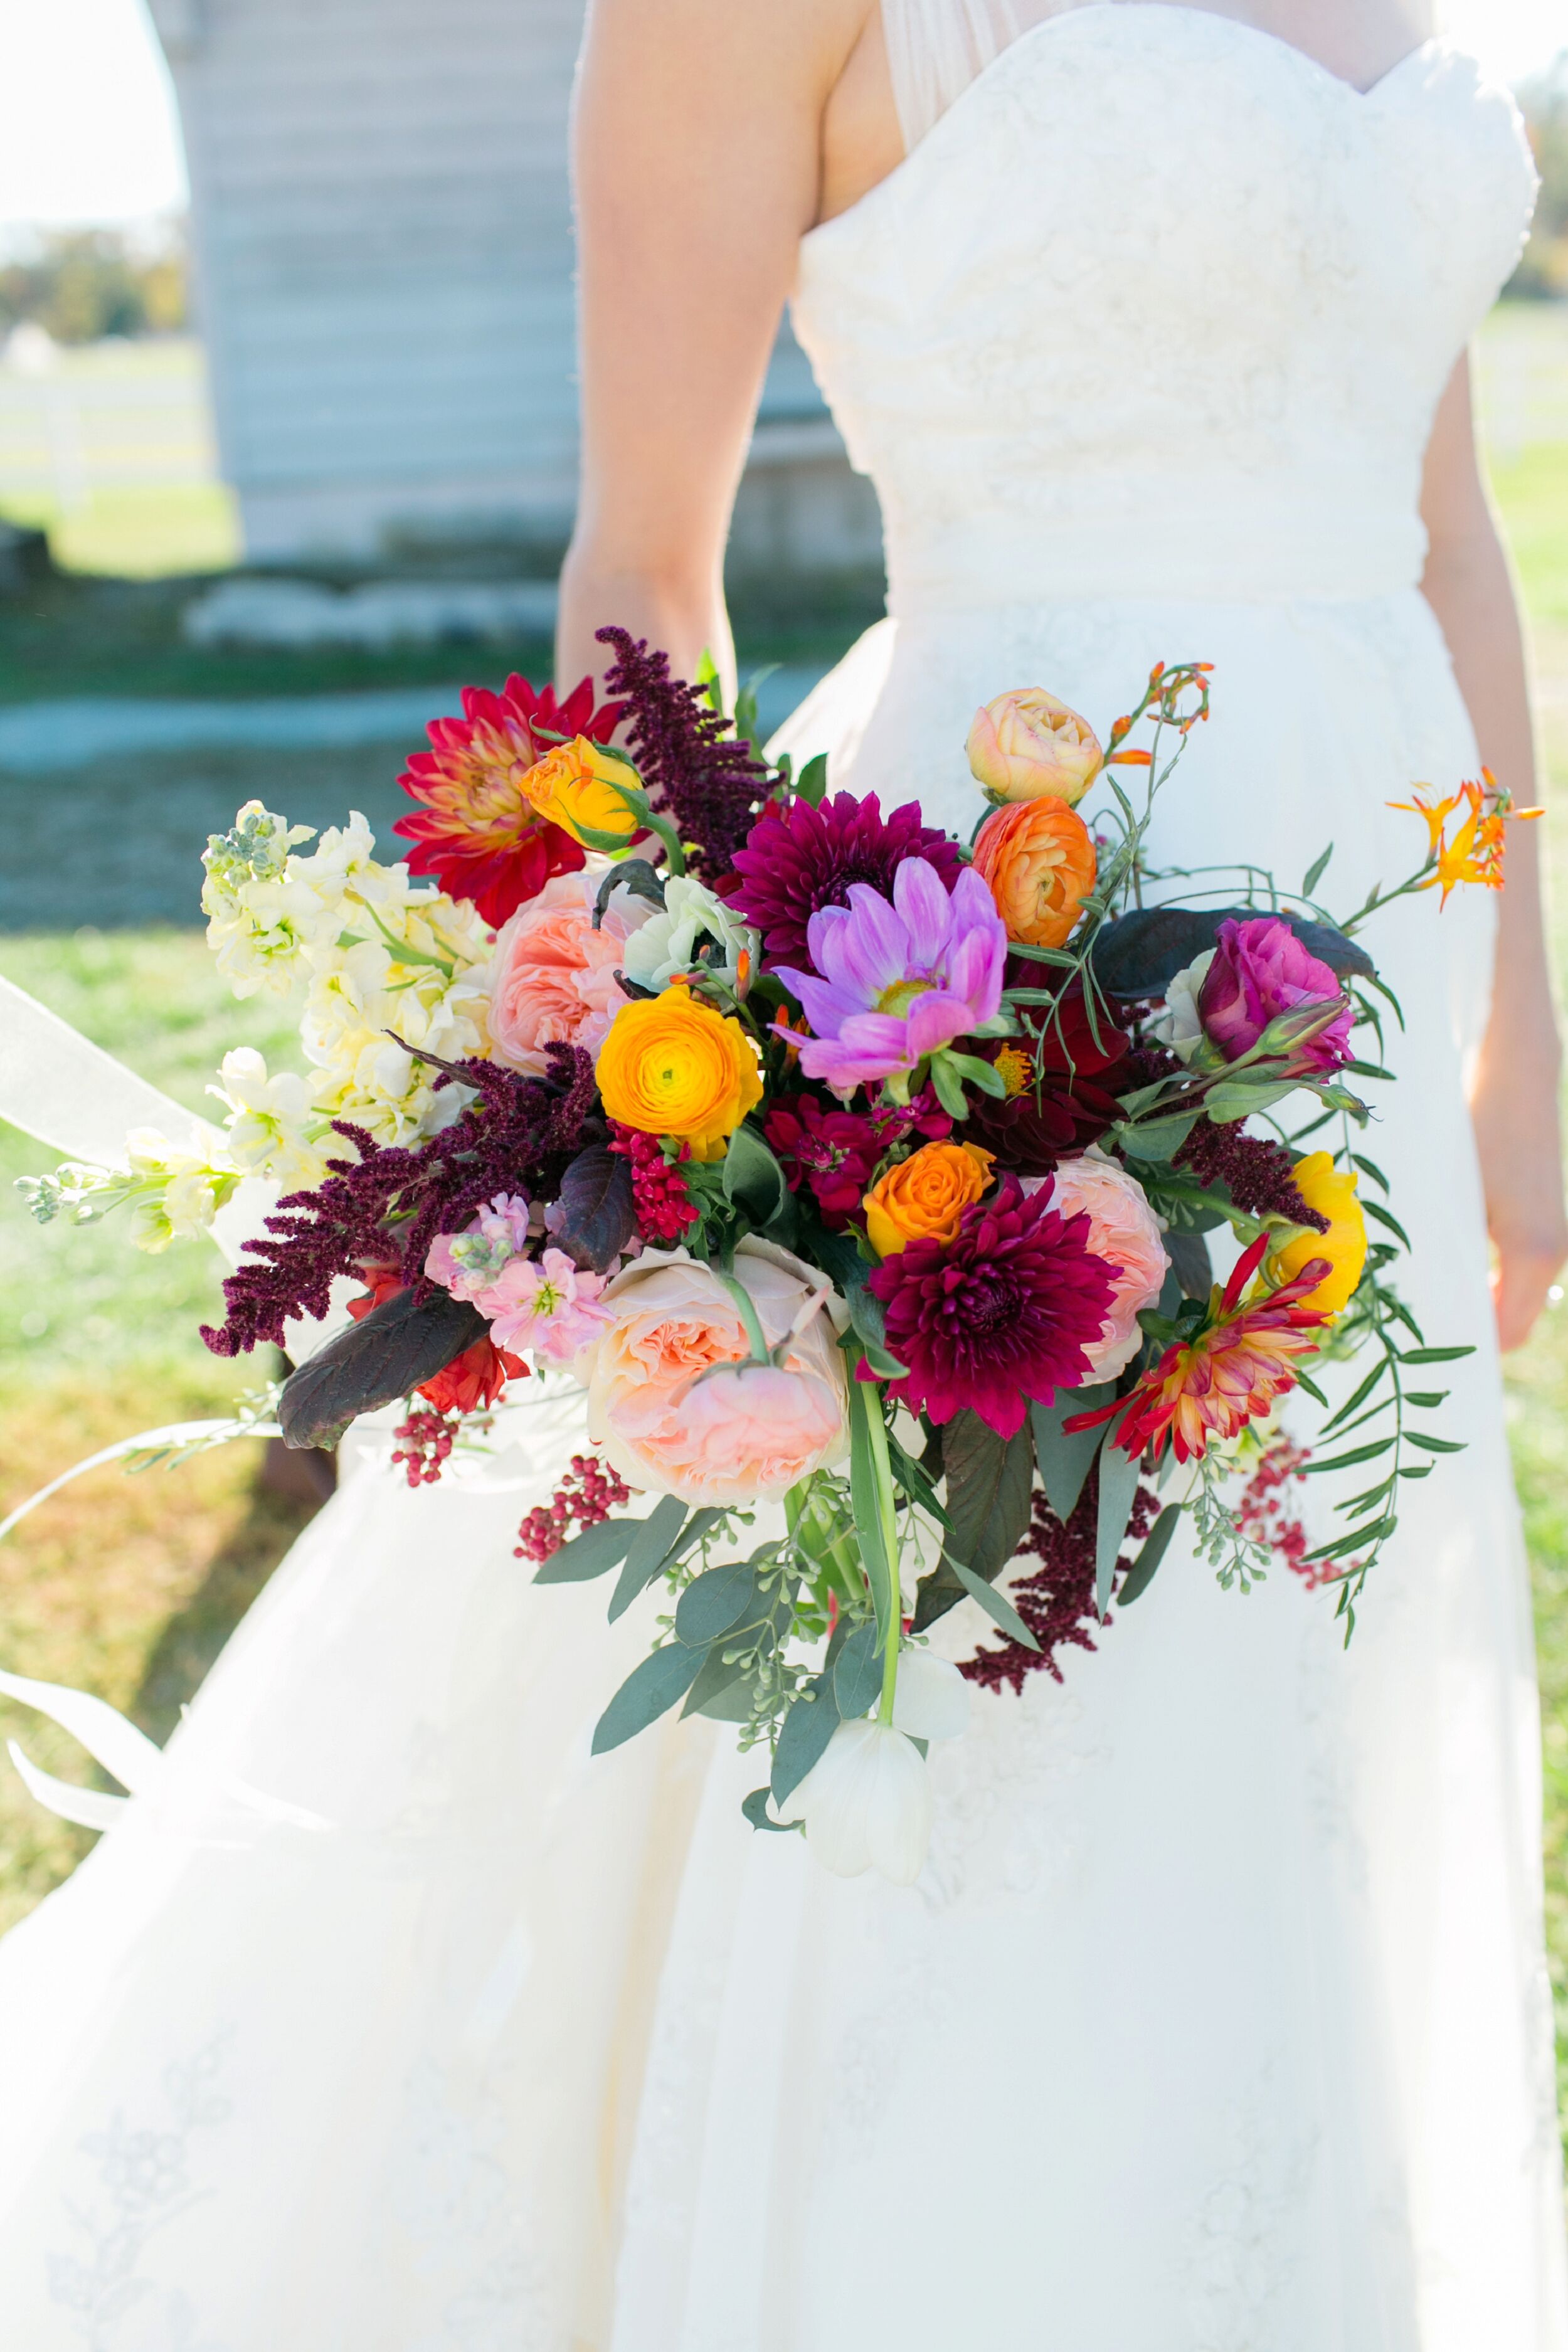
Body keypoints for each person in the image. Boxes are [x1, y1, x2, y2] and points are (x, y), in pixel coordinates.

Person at [0, 2, 1562, 2343]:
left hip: (1359, 991)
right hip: (983, 972)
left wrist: (1519, 1049)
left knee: (1291, 1732)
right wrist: (693, 1049)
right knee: (988, 1730)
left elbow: (1440, 549)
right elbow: (645, 562)